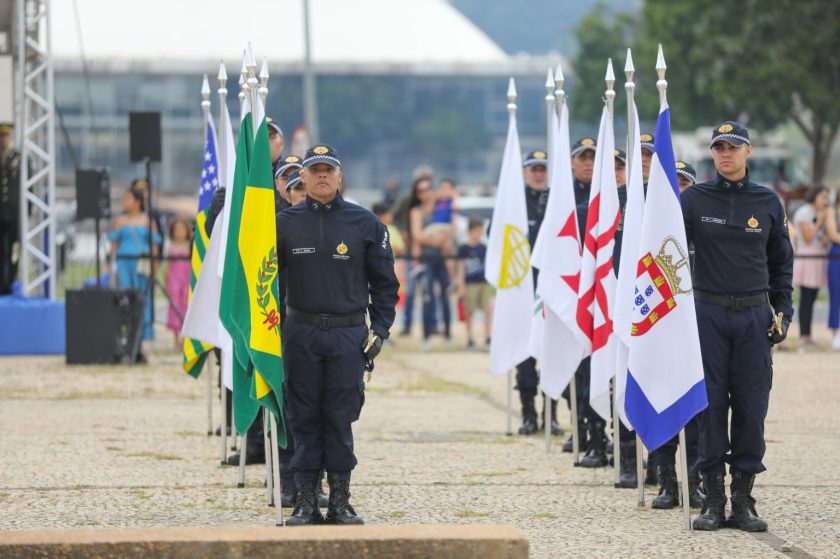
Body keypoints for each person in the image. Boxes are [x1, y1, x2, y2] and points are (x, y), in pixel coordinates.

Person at [276, 144, 398, 525]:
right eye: (315, 170)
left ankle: (341, 501)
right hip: (300, 332)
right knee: (304, 417)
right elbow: (262, 282)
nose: (323, 175)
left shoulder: (365, 224)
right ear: (304, 178)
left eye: (329, 169)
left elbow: (385, 284)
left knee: (340, 417)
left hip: (347, 336)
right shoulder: (285, 223)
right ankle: (306, 501)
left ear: (340, 177)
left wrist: (379, 329)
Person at [682, 121, 793, 532]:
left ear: (749, 151)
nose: (725, 153)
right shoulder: (693, 199)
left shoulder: (767, 201)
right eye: (718, 147)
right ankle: (712, 499)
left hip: (752, 317)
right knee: (709, 407)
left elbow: (782, 263)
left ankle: (743, 499)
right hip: (707, 314)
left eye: (733, 147)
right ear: (712, 153)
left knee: (751, 405)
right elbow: (668, 255)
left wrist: (784, 311)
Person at [515, 149, 560, 436]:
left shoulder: (558, 201)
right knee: (525, 357)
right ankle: (528, 412)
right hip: (523, 289)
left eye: (543, 168)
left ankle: (551, 414)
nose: (538, 173)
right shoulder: (514, 204)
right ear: (524, 172)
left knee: (553, 353)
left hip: (552, 287)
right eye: (533, 168)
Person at [107, 187, 161, 347]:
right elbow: (114, 245)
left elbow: (155, 246)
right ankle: (127, 330)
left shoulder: (148, 221)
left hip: (141, 265)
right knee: (125, 294)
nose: (125, 202)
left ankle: (143, 332)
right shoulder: (119, 221)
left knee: (142, 295)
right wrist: (109, 266)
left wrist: (155, 267)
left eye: (128, 199)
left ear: (138, 201)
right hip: (124, 263)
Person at [407, 176, 452, 348]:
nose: (425, 193)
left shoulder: (440, 207)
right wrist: (436, 240)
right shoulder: (416, 212)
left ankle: (447, 333)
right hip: (426, 258)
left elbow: (450, 228)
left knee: (446, 295)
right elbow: (417, 236)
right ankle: (426, 336)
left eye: (427, 189)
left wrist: (436, 237)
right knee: (427, 297)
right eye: (421, 191)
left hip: (442, 257)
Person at [792, 186, 829, 350]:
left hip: (818, 257)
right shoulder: (804, 212)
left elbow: (821, 239)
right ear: (814, 196)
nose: (825, 201)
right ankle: (803, 335)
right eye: (822, 197)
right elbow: (808, 238)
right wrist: (820, 222)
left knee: (812, 297)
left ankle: (808, 335)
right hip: (807, 257)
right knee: (806, 298)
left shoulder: (819, 213)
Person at [457, 217, 492, 351]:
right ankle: (470, 338)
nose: (479, 233)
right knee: (469, 311)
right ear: (470, 231)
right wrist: (461, 285)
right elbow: (460, 268)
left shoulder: (484, 248)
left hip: (483, 283)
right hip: (470, 283)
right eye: (477, 230)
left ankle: (488, 336)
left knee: (487, 310)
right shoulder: (464, 249)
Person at [0, 123, 21, 295]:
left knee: (14, 249)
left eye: (5, 136)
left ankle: (11, 281)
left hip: (14, 214)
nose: (3, 140)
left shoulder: (18, 159)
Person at [165, 218, 192, 350]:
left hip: (187, 279)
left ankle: (186, 338)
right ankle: (176, 339)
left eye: (182, 229)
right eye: (176, 230)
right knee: (175, 306)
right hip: (175, 280)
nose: (179, 232)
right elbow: (169, 267)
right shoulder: (171, 247)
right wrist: (167, 281)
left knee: (186, 306)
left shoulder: (190, 246)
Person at [826, 193, 840, 350]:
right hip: (837, 253)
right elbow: (832, 234)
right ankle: (836, 333)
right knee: (836, 293)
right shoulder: (833, 211)